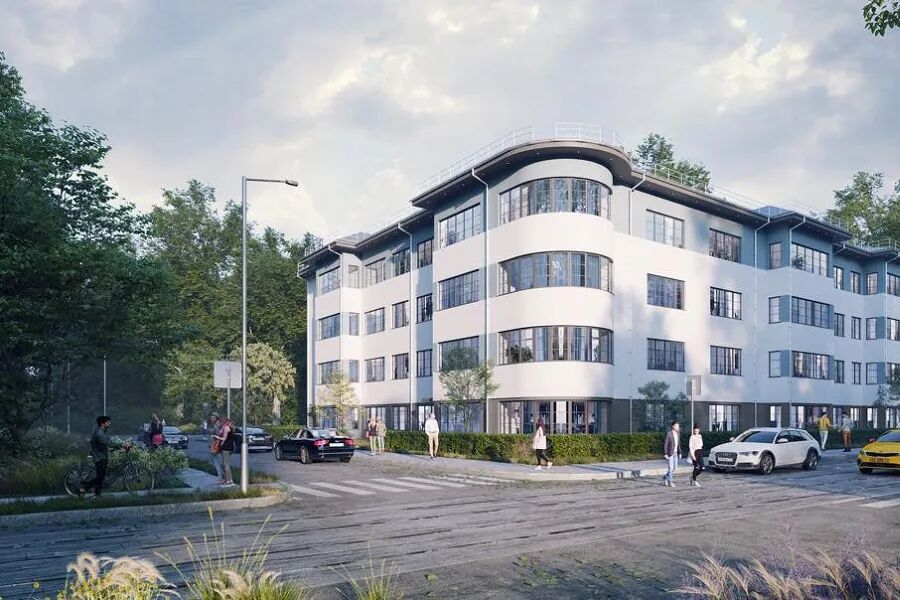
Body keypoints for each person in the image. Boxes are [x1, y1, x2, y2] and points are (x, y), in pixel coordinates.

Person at [80, 415, 132, 497]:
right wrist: (123, 445)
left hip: (102, 456)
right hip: (99, 457)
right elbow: (109, 444)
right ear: (102, 424)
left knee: (101, 476)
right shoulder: (99, 434)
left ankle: (97, 494)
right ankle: (84, 489)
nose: (109, 423)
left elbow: (110, 442)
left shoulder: (102, 432)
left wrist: (122, 445)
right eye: (107, 422)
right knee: (100, 476)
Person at [216, 416, 235, 485]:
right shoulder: (231, 427)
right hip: (230, 447)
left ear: (224, 421)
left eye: (221, 421)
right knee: (226, 464)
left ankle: (228, 481)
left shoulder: (226, 428)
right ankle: (229, 479)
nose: (220, 422)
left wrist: (216, 437)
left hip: (226, 447)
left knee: (226, 465)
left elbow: (224, 438)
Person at [208, 413, 225, 484]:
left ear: (217, 418)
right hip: (213, 445)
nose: (212, 419)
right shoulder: (215, 424)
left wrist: (213, 435)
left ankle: (221, 477)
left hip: (216, 445)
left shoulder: (217, 425)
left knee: (215, 461)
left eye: (213, 418)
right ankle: (223, 475)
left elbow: (218, 434)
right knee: (213, 461)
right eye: (211, 418)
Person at [663, 420, 681, 488]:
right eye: (677, 426)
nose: (678, 427)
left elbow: (678, 444)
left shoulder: (678, 434)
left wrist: (680, 452)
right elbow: (666, 444)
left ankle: (665, 477)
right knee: (671, 468)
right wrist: (665, 454)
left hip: (676, 453)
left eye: (678, 426)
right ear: (673, 426)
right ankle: (670, 482)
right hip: (670, 453)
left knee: (675, 468)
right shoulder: (669, 434)